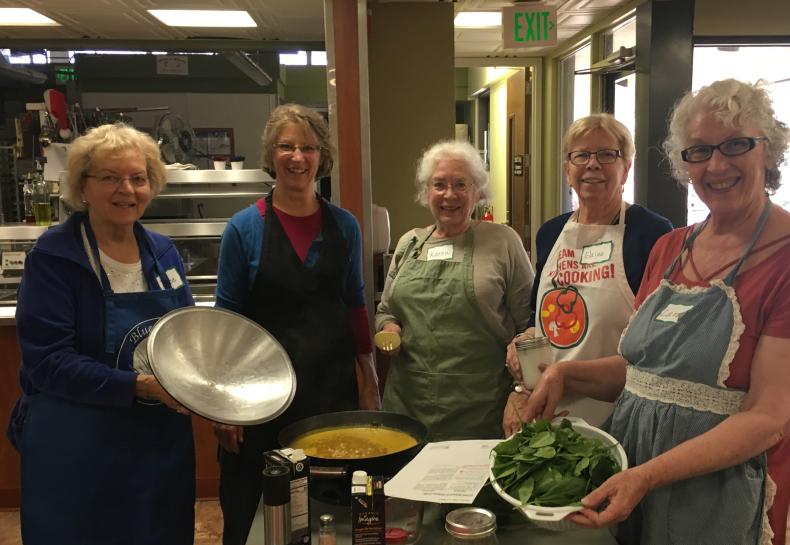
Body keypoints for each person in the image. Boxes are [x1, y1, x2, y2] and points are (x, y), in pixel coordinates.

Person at [525, 79, 790, 545]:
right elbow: (644, 373)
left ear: (769, 152)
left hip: (738, 484)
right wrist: (564, 377)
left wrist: (649, 475)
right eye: (698, 151)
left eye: (736, 145)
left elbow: (767, 418)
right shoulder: (672, 247)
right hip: (642, 472)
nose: (716, 164)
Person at [8, 123, 195, 545]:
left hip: (156, 448)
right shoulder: (55, 258)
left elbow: (185, 337)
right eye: (110, 177)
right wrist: (141, 386)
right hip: (78, 445)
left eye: (138, 177)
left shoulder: (162, 252)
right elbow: (47, 362)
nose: (126, 189)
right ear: (83, 187)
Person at [214, 103, 380, 545]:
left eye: (308, 147)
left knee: (332, 517)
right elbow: (227, 321)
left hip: (330, 394)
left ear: (321, 157)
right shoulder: (244, 228)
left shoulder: (344, 226)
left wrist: (368, 379)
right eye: (286, 146)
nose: (297, 157)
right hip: (258, 401)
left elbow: (356, 306)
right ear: (271, 155)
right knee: (255, 512)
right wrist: (223, 406)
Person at [502, 114, 672, 436]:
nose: (592, 164)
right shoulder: (551, 232)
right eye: (581, 155)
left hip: (617, 414)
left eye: (607, 154)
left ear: (626, 168)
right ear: (568, 170)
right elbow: (537, 322)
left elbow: (656, 346)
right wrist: (520, 377)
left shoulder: (652, 233)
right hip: (546, 409)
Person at [376, 140, 533, 441]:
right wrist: (390, 328)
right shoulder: (410, 244)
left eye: (461, 184)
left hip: (481, 412)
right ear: (426, 192)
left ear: (478, 191)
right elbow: (386, 311)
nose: (450, 194)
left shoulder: (502, 241)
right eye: (439, 184)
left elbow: (529, 324)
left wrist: (522, 391)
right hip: (408, 407)